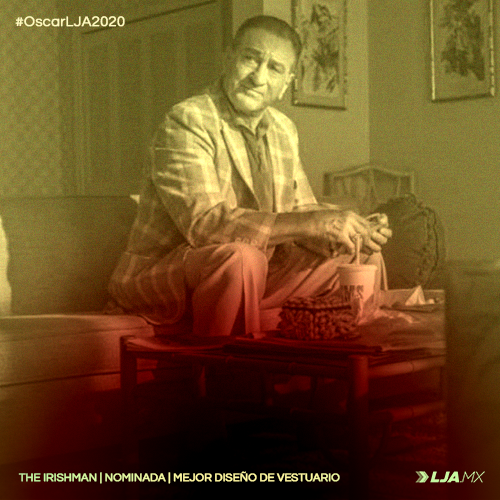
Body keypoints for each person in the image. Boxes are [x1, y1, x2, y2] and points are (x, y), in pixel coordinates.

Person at [109, 15, 391, 337]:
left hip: (259, 272)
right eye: (251, 59)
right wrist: (312, 222)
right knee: (242, 258)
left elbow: (301, 212)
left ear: (286, 83)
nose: (258, 77)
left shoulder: (284, 129)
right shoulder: (188, 120)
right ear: (228, 58)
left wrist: (352, 226)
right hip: (170, 277)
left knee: (362, 256)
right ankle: (230, 369)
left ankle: (352, 364)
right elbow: (205, 225)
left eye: (275, 68)